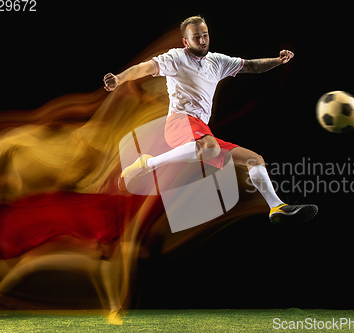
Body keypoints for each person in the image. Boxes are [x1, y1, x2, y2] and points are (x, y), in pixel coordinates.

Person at [104, 16, 317, 224]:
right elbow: (144, 68)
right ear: (185, 41)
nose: (203, 40)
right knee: (209, 147)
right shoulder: (176, 58)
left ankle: (276, 206)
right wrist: (119, 78)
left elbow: (251, 66)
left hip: (201, 129)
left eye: (205, 35)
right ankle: (147, 163)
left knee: (255, 160)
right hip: (180, 122)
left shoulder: (217, 61)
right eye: (196, 37)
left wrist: (278, 61)